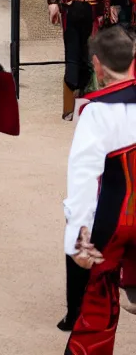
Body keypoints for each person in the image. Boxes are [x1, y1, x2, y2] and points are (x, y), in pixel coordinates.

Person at [62, 25, 136, 354]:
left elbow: (83, 179)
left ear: (97, 65)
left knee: (98, 313)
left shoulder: (95, 113)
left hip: (113, 224)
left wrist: (79, 239)